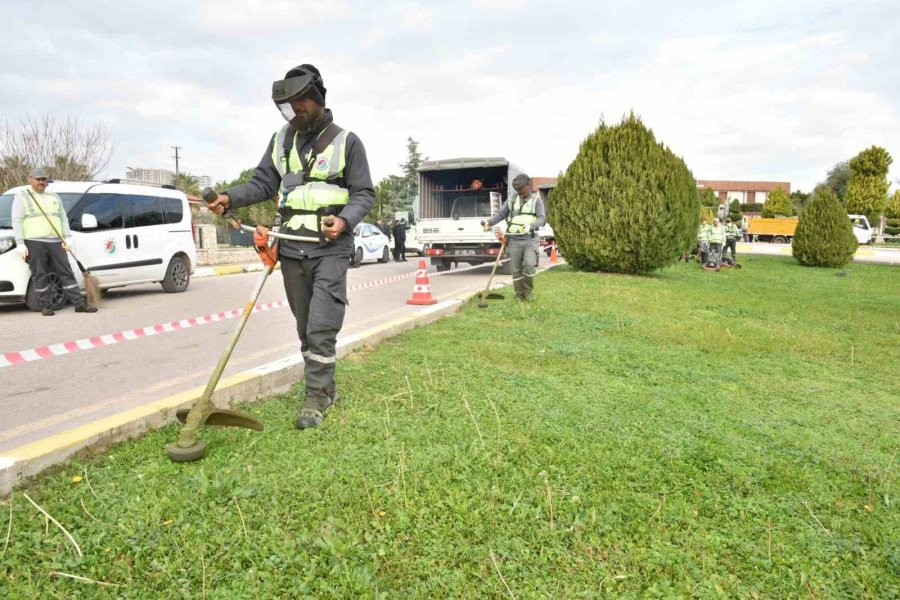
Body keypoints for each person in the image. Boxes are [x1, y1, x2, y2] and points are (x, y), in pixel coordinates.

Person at [204, 64, 374, 430]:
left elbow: (364, 193)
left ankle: (316, 395)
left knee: (321, 325)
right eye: (288, 108)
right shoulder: (282, 139)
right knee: (303, 326)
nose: (294, 113)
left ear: (318, 100)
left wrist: (343, 220)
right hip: (292, 248)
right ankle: (324, 387)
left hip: (330, 248)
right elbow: (263, 182)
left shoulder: (348, 142)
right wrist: (228, 198)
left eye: (300, 105)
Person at [12, 168, 97, 316]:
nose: (41, 182)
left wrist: (67, 237)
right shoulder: (22, 196)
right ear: (30, 180)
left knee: (66, 271)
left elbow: (63, 218)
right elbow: (17, 220)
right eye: (38, 179)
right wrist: (20, 243)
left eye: (44, 179)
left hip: (56, 240)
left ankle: (79, 304)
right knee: (40, 274)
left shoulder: (54, 196)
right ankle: (46, 306)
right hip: (34, 241)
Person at [483, 173, 546, 301]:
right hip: (513, 240)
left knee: (528, 266)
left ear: (528, 186)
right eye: (517, 190)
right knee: (516, 270)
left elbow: (542, 219)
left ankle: (528, 292)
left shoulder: (536, 200)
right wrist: (489, 222)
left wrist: (531, 226)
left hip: (530, 239)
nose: (520, 192)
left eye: (521, 189)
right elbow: (501, 214)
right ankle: (519, 294)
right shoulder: (512, 199)